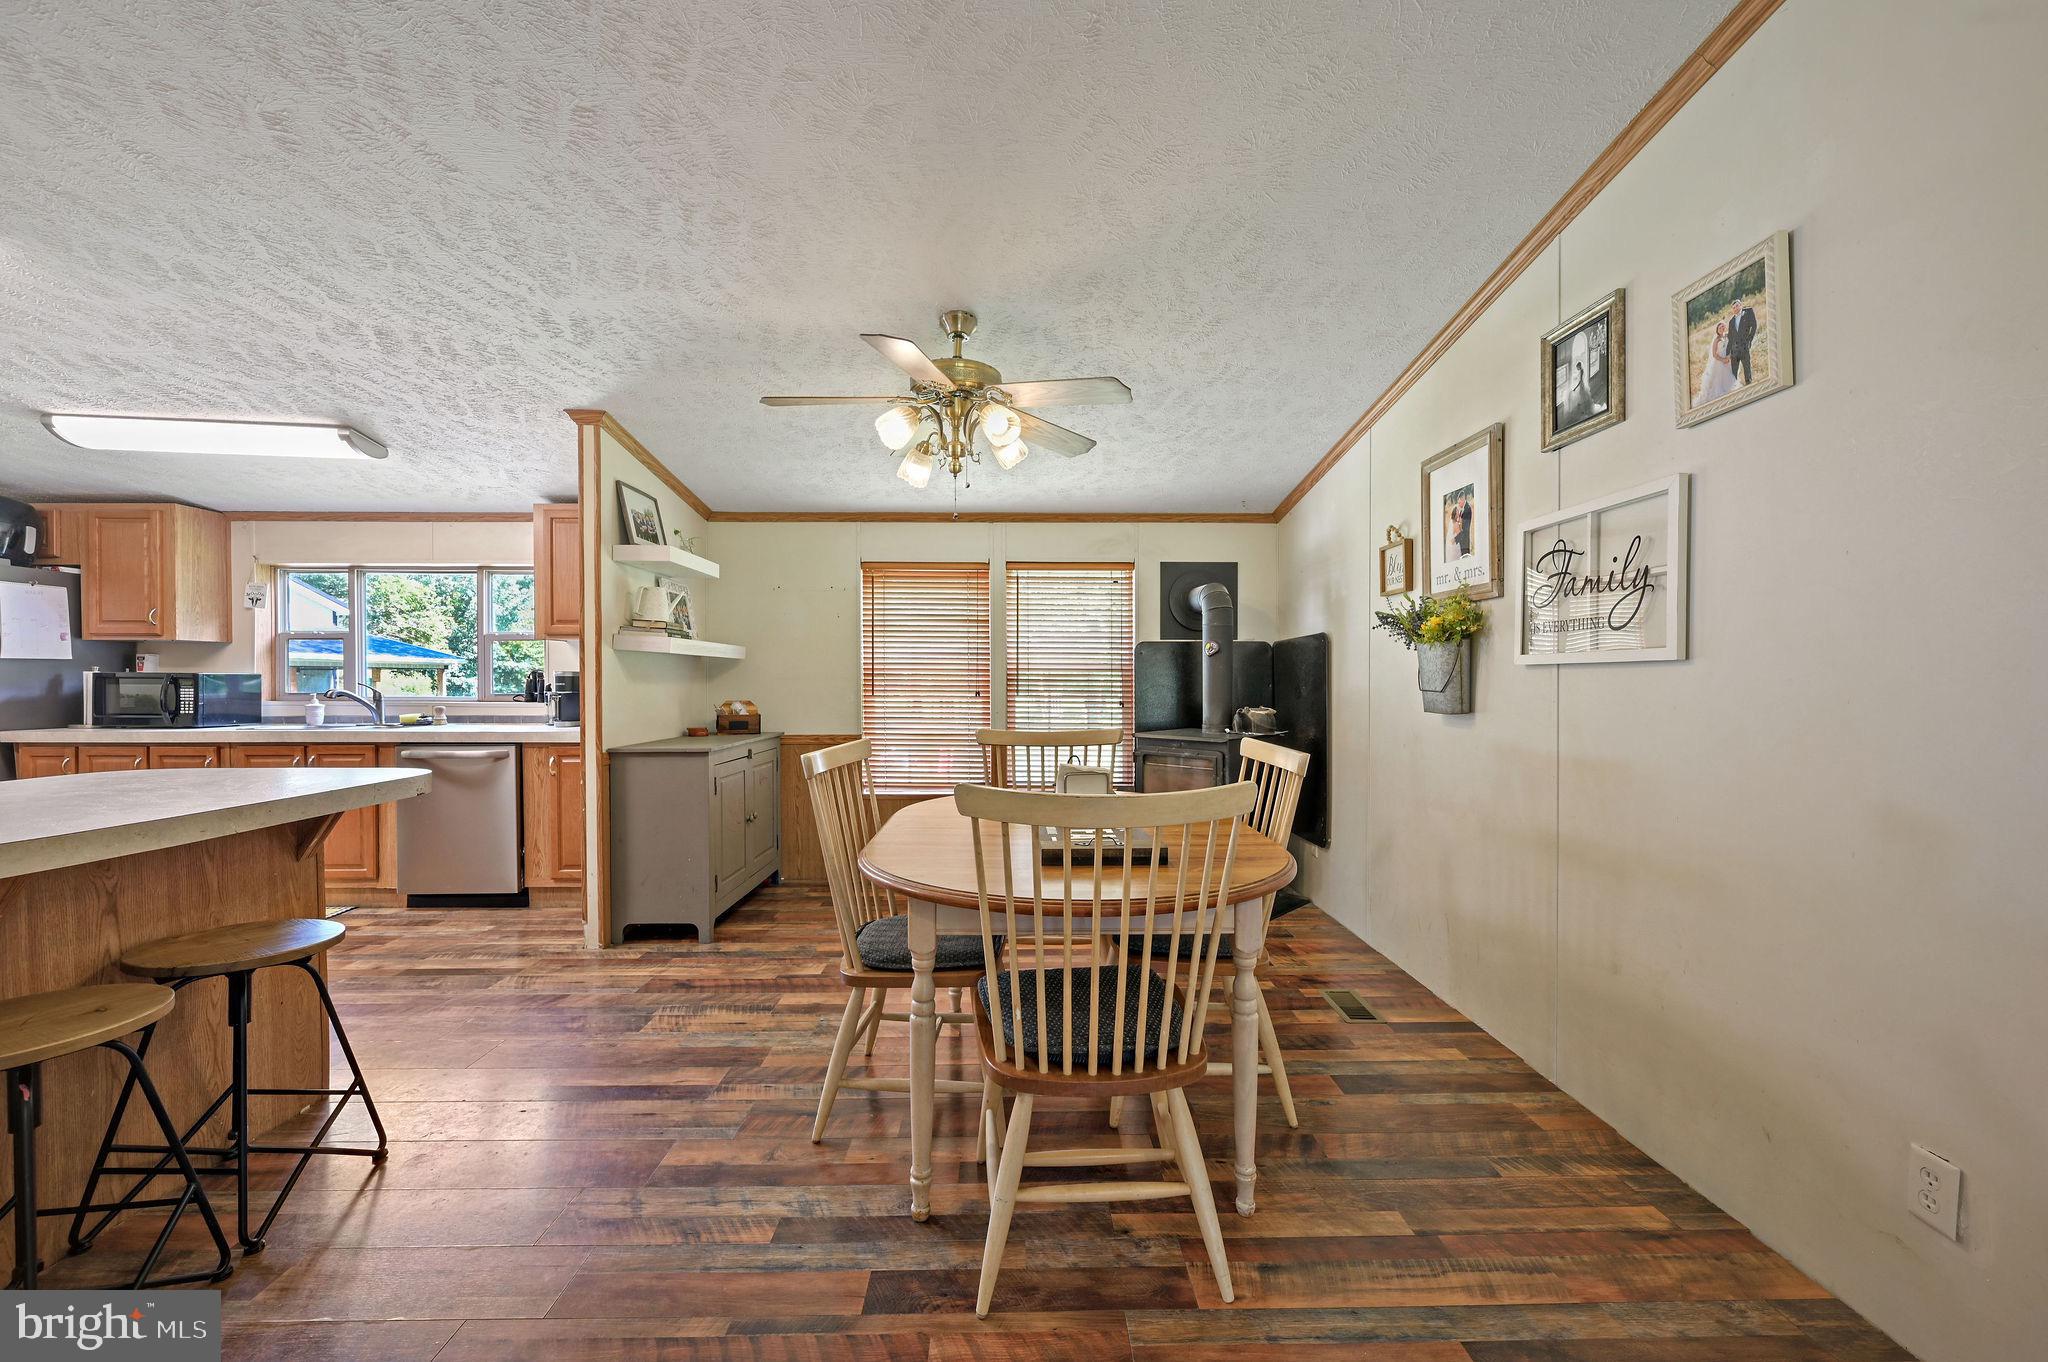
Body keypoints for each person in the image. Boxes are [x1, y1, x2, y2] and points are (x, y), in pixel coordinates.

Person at [1696, 321, 1738, 405]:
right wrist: (1723, 360)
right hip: (1719, 361)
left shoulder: (1726, 336)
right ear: (1717, 330)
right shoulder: (1716, 340)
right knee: (1718, 378)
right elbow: (1714, 354)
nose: (1721, 328)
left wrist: (1729, 356)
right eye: (1720, 327)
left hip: (1727, 359)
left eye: (1723, 327)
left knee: (1729, 375)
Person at [1726, 300, 1758, 385]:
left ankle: (1749, 386)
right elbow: (1730, 337)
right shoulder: (1731, 321)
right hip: (1734, 350)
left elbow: (1754, 325)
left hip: (1744, 346)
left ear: (1741, 305)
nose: (1735, 308)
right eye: (1733, 307)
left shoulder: (1748, 312)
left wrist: (1749, 340)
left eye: (1736, 306)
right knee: (1733, 374)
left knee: (1747, 369)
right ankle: (1734, 388)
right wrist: (1727, 353)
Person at [1557, 361, 1593, 431]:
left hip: (1581, 387)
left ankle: (1583, 410)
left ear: (1579, 366)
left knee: (1581, 398)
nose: (1577, 368)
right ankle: (1583, 410)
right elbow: (1578, 378)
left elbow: (1580, 381)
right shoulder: (1581, 371)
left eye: (1577, 367)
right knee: (1581, 399)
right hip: (1581, 386)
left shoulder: (1581, 372)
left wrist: (1575, 388)